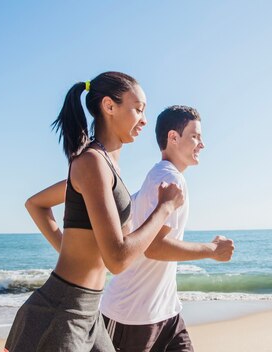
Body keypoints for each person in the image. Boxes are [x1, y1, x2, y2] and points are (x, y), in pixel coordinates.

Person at [4, 72, 184, 352]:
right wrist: (164, 208)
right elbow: (118, 259)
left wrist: (72, 251)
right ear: (109, 106)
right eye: (138, 109)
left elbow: (37, 204)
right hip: (61, 313)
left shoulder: (106, 168)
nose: (144, 120)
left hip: (89, 311)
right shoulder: (91, 162)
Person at [100, 105, 235, 352]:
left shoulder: (159, 176)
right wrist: (212, 249)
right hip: (132, 316)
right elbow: (155, 248)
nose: (201, 144)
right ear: (173, 137)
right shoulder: (169, 179)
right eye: (195, 136)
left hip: (166, 312)